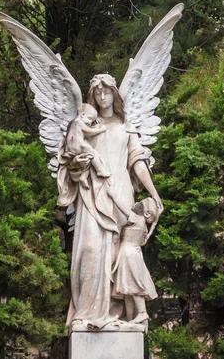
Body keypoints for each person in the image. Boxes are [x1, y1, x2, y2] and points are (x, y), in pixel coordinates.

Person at [57, 74, 162, 330]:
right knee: (90, 249)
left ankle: (119, 315)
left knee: (118, 255)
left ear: (116, 94)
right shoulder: (85, 124)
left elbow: (137, 162)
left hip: (121, 195)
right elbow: (71, 157)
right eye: (98, 93)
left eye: (108, 92)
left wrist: (154, 194)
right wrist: (76, 166)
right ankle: (86, 313)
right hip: (92, 193)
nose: (103, 97)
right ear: (92, 96)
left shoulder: (126, 125)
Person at [111, 197, 160, 323]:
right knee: (128, 288)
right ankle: (129, 317)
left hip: (129, 254)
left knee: (134, 285)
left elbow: (122, 207)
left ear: (147, 213)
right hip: (132, 254)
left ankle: (142, 313)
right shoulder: (143, 226)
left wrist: (112, 194)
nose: (137, 203)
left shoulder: (136, 219)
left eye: (141, 204)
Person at [61, 103, 110, 189]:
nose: (90, 122)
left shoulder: (72, 123)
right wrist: (101, 129)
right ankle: (100, 170)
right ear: (82, 115)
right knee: (93, 153)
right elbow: (90, 132)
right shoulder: (79, 123)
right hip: (79, 146)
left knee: (88, 159)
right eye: (90, 118)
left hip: (71, 148)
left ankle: (83, 176)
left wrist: (94, 120)